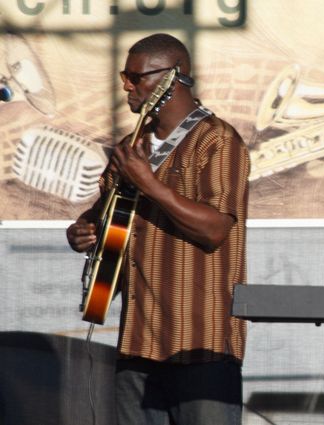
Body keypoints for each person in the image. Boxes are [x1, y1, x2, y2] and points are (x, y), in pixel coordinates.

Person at [66, 33, 250, 425]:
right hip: (137, 342)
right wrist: (82, 231)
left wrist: (148, 183)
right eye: (125, 76)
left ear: (173, 77)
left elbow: (216, 229)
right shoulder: (131, 148)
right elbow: (106, 221)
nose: (127, 86)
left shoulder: (217, 140)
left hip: (200, 343)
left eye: (136, 77)